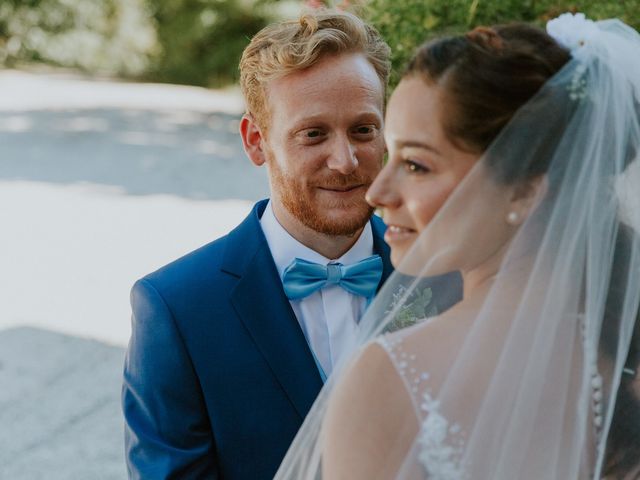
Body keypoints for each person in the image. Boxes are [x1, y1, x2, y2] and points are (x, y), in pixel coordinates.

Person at [275, 13, 640, 480]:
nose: (376, 192)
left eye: (416, 165)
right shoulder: (621, 352)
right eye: (390, 155)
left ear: (525, 189)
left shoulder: (389, 378)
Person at [121, 10, 398, 480]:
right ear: (256, 142)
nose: (346, 160)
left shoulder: (446, 274)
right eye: (313, 134)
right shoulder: (176, 308)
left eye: (363, 129)